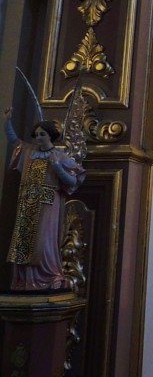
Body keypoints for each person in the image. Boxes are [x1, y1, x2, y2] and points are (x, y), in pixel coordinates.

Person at [4, 107, 85, 291]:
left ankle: (48, 275)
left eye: (42, 134)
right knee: (23, 240)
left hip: (48, 203)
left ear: (50, 135)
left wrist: (57, 167)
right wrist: (7, 121)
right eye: (36, 134)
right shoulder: (28, 151)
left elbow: (73, 180)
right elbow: (13, 140)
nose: (38, 137)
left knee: (43, 241)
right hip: (26, 202)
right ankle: (24, 280)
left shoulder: (60, 157)